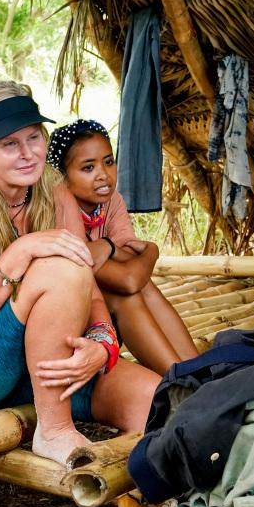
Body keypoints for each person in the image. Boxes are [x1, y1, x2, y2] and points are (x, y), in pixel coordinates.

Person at [0, 84, 159, 465]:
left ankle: (132, 503)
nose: (27, 153)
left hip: (37, 363)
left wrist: (101, 343)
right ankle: (54, 431)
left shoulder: (54, 190)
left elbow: (89, 291)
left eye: (33, 137)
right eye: (9, 144)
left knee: (155, 399)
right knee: (56, 269)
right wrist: (21, 250)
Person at [46, 119, 197, 374]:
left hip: (107, 318)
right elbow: (128, 278)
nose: (103, 174)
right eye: (88, 167)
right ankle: (181, 378)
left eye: (108, 161)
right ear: (63, 177)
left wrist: (109, 250)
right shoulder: (58, 207)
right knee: (126, 294)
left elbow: (130, 263)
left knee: (141, 286)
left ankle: (196, 369)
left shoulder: (111, 201)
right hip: (69, 326)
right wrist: (151, 251)